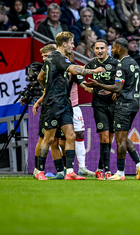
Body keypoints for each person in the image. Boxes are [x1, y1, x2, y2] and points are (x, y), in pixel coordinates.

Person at [34, 31, 106, 180]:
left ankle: (70, 172)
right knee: (48, 138)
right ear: (64, 44)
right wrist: (94, 70)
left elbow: (40, 77)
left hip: (64, 102)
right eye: (72, 43)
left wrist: (46, 87)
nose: (73, 46)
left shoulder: (54, 59)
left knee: (71, 135)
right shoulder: (57, 57)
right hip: (53, 103)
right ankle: (39, 171)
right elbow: (74, 69)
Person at [85, 38, 140, 181]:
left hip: (123, 104)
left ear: (119, 48)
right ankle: (139, 164)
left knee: (119, 139)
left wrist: (99, 85)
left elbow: (118, 87)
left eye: (112, 48)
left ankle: (119, 172)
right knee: (123, 136)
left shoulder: (120, 64)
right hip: (135, 102)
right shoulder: (134, 63)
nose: (112, 50)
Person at [83, 39, 119, 180]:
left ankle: (99, 168)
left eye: (102, 48)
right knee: (103, 137)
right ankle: (108, 171)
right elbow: (78, 74)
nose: (99, 51)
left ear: (107, 49)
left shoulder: (115, 64)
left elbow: (126, 80)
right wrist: (85, 87)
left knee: (109, 139)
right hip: (99, 105)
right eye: (97, 48)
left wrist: (118, 92)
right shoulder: (92, 64)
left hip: (114, 105)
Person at [32, 44, 66, 180]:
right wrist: (40, 101)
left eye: (46, 56)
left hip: (60, 106)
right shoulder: (46, 69)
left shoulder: (56, 66)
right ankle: (37, 168)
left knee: (56, 141)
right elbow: (45, 88)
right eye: (43, 56)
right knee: (44, 138)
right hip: (49, 107)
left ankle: (61, 171)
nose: (44, 59)